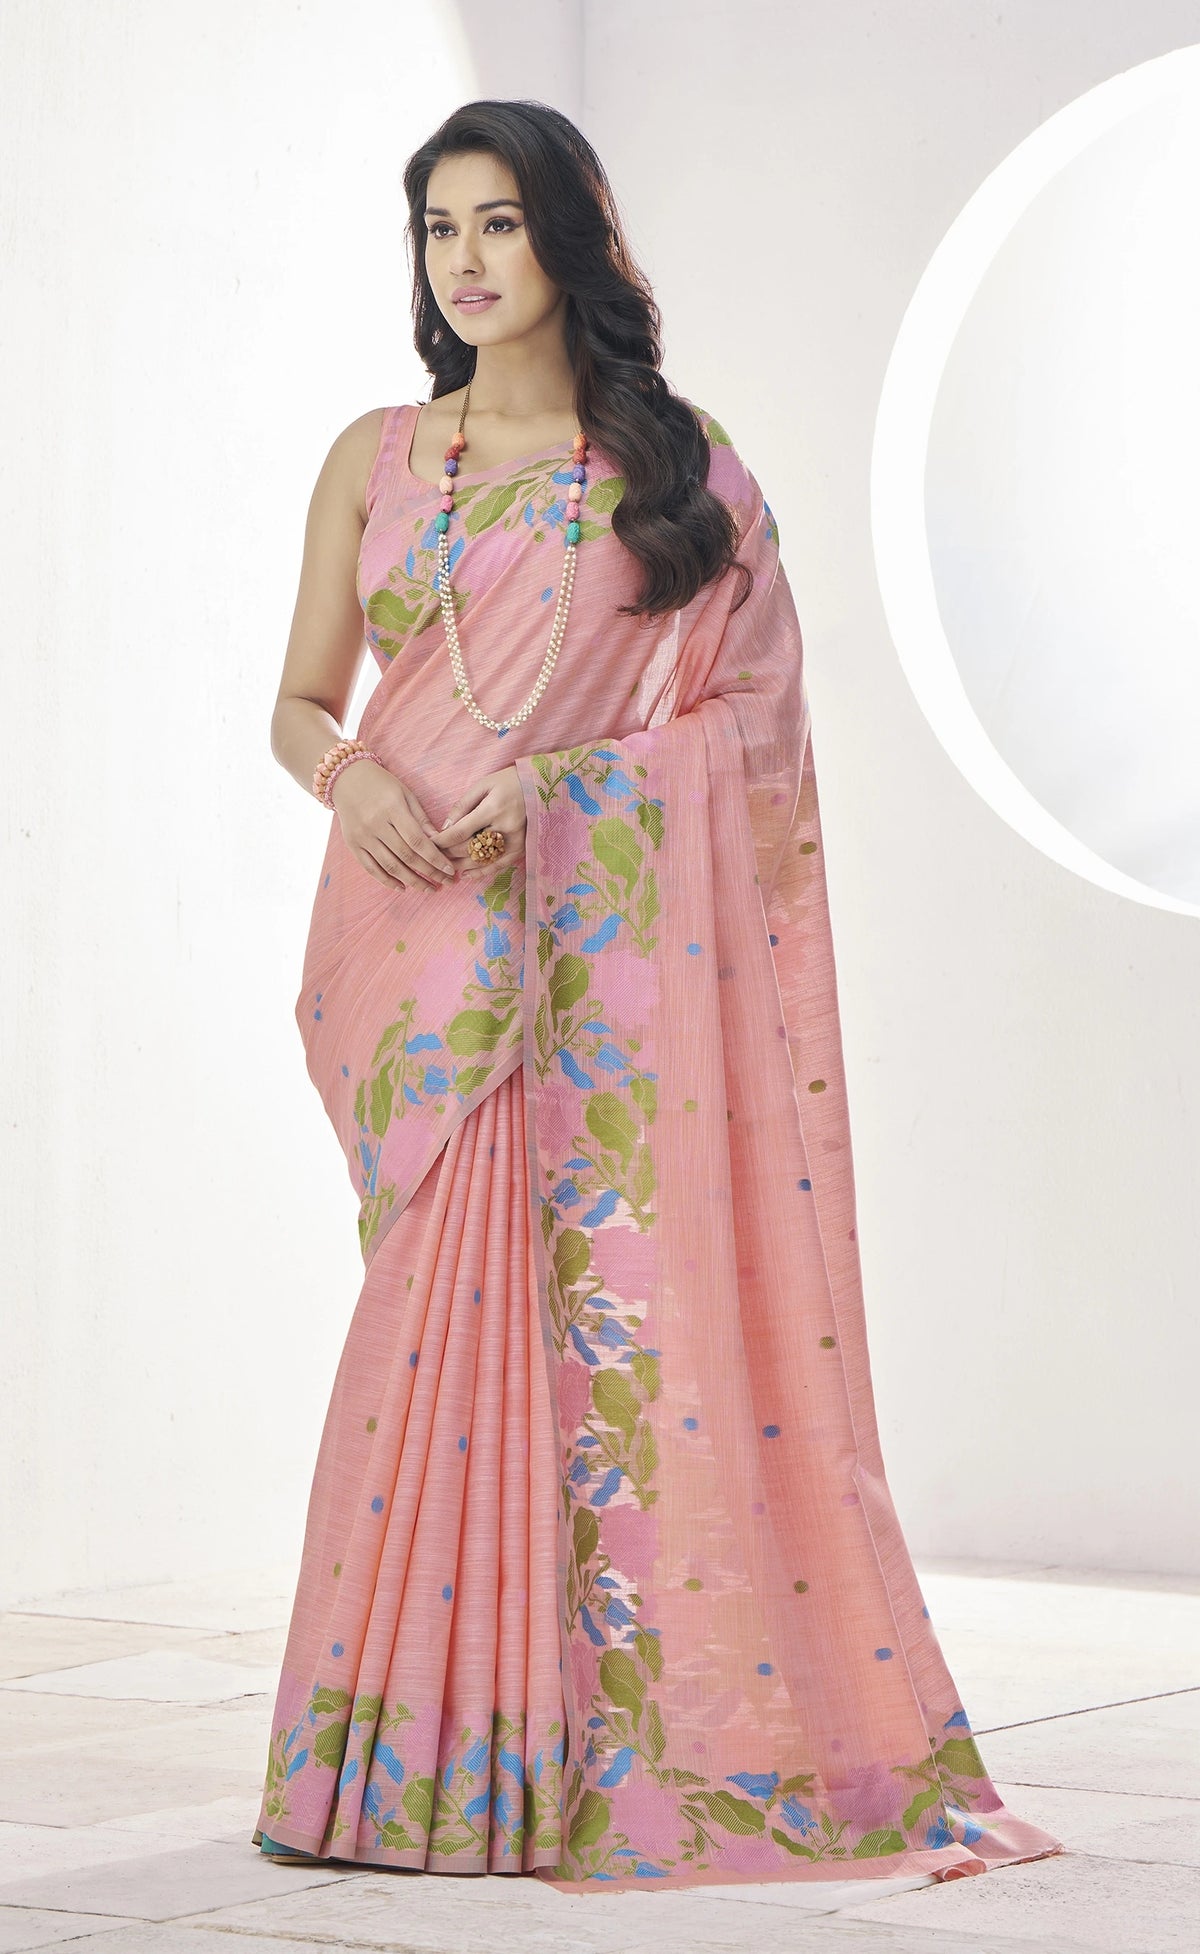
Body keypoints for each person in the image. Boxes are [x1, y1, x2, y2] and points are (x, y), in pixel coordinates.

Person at [251, 98, 1064, 1894]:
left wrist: (577, 789)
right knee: (427, 1341)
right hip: (421, 953)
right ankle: (406, 1771)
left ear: (569, 242)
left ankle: (581, 1763)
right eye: (437, 233)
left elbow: (752, 723)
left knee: (600, 1347)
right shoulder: (377, 457)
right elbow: (300, 701)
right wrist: (351, 778)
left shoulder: (679, 470)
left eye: (495, 227)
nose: (463, 264)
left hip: (603, 970)